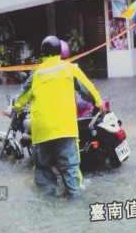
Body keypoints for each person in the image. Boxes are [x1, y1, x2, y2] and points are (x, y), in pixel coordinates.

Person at [13, 35, 106, 197]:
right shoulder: (69, 68)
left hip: (41, 131)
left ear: (43, 52)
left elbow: (21, 99)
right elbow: (87, 88)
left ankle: (48, 204)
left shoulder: (37, 73)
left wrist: (15, 108)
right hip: (65, 129)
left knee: (42, 169)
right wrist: (98, 102)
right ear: (60, 51)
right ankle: (75, 206)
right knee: (70, 168)